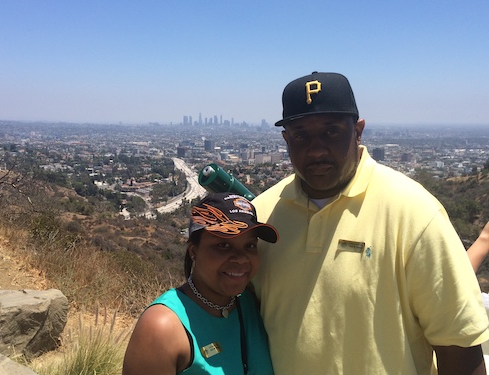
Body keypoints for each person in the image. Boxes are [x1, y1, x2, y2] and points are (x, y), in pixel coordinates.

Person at [251, 71, 489, 374]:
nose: (316, 149)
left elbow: (459, 351)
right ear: (286, 139)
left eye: (331, 131)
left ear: (358, 131)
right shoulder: (262, 216)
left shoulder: (413, 213)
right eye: (301, 134)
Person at [122, 192, 278, 375]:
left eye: (250, 245)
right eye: (224, 245)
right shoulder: (163, 327)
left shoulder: (250, 303)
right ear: (194, 251)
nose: (241, 259)